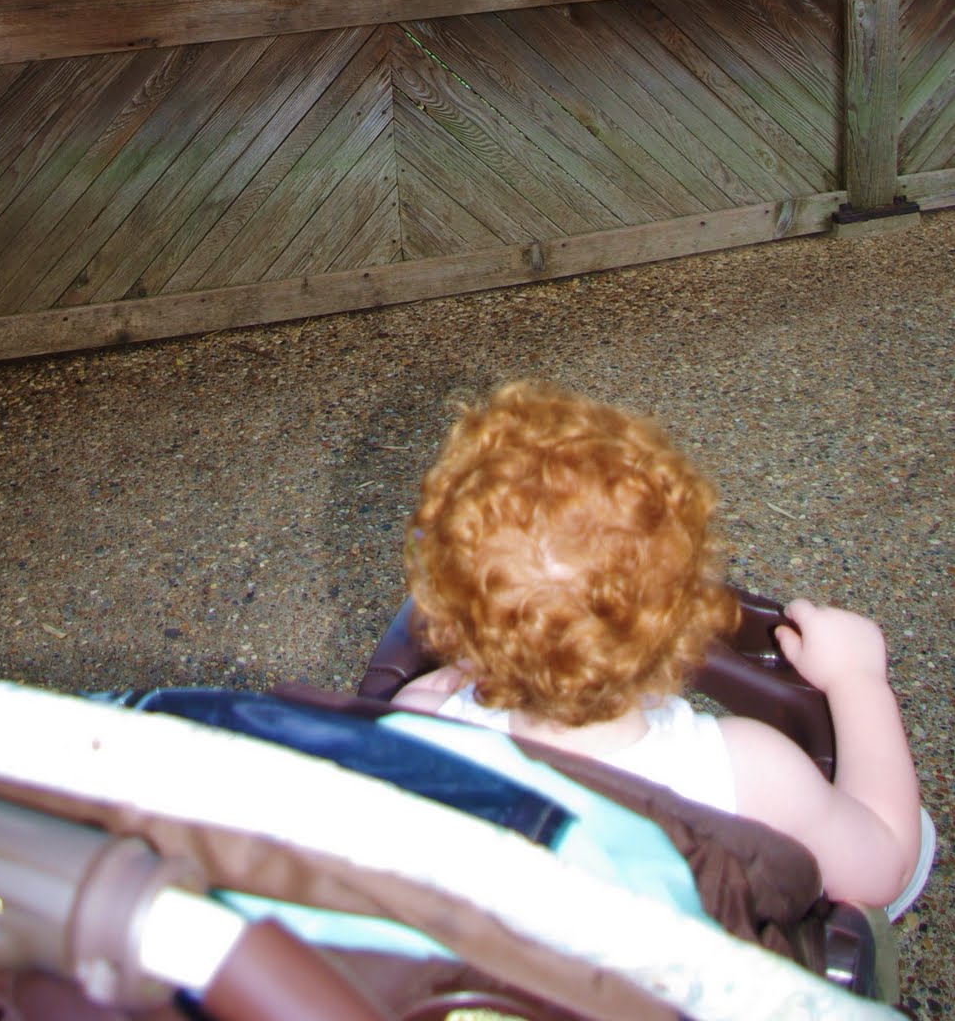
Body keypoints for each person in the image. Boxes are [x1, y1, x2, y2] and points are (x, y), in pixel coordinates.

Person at [391, 379, 930, 913]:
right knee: (906, 840)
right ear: (688, 617)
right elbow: (886, 868)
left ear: (450, 626)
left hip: (522, 954)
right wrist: (858, 679)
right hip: (678, 963)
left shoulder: (419, 729)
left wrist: (464, 671)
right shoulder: (753, 771)